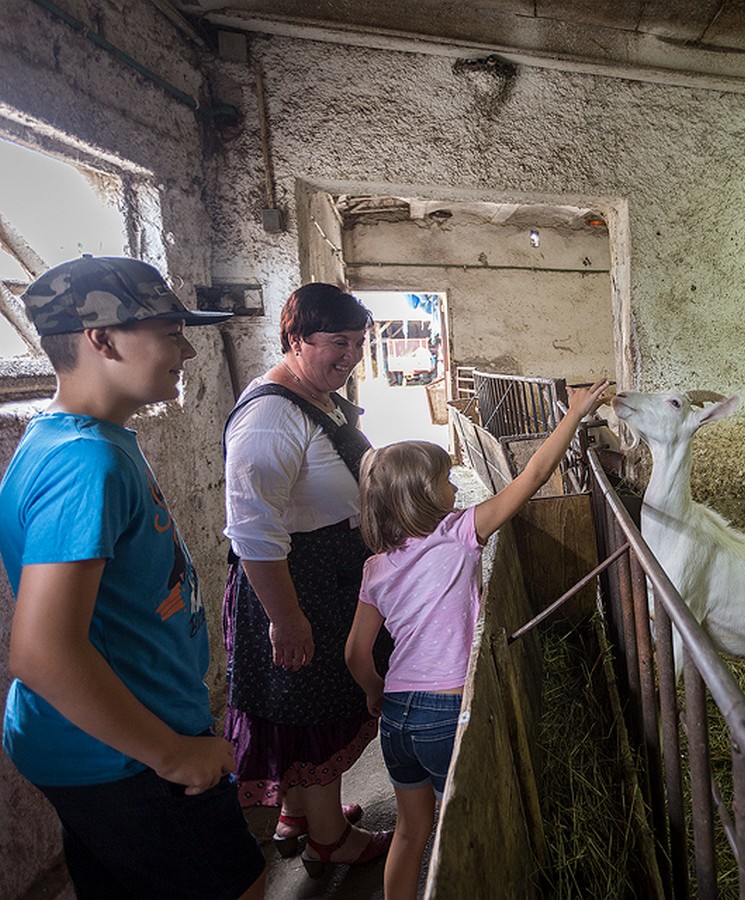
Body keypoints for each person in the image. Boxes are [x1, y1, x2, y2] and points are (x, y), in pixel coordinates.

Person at [0, 255, 265, 898]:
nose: (188, 352)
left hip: (99, 741)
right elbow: (41, 653)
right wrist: (173, 754)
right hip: (125, 753)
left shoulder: (75, 439)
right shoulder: (87, 461)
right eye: (170, 331)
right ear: (102, 338)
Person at [346, 379, 610, 900]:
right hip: (448, 713)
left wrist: (376, 692)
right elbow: (533, 476)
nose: (454, 490)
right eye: (447, 481)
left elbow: (356, 654)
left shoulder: (375, 568)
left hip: (398, 718)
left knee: (409, 830)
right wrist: (575, 415)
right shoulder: (460, 532)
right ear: (425, 494)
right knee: (457, 834)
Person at [221, 282, 391, 874]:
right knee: (317, 708)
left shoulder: (314, 396)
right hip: (295, 585)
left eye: (359, 343)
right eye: (337, 343)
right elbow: (251, 530)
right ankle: (330, 841)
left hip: (324, 575)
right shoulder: (270, 415)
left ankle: (300, 814)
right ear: (296, 339)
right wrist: (285, 618)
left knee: (298, 704)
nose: (350, 356)